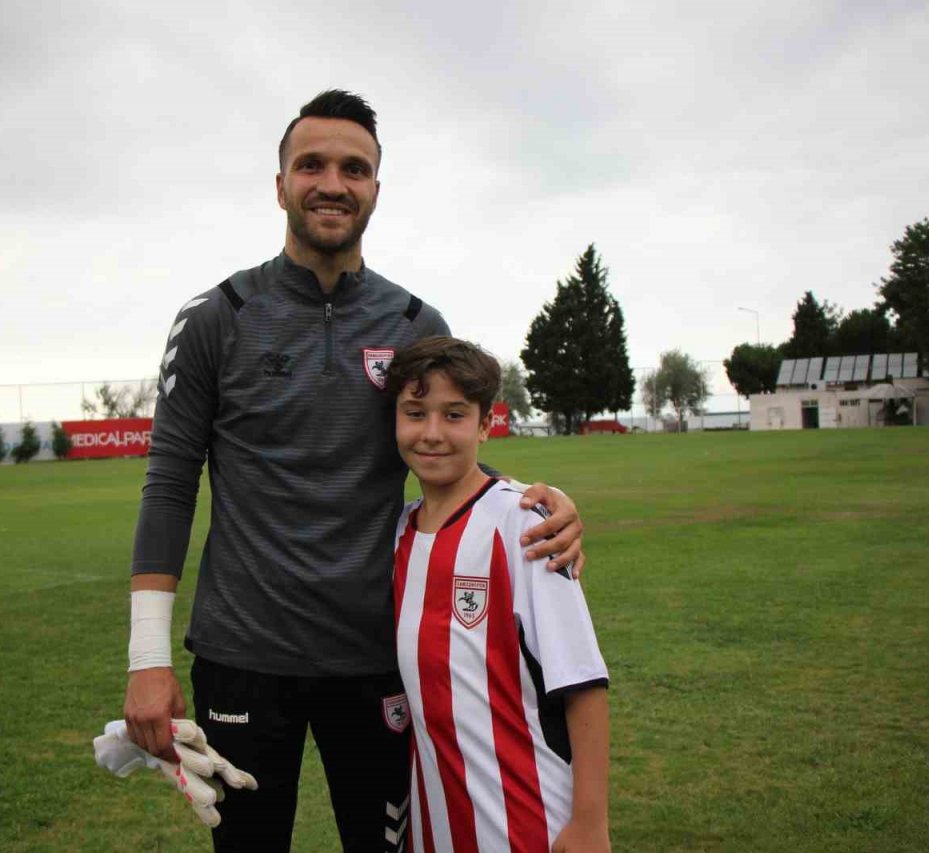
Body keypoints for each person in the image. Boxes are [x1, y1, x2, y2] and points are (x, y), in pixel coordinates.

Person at [123, 90, 586, 852]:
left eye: (354, 168)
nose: (332, 182)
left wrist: (539, 502)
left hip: (379, 659)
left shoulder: (413, 324)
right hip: (242, 658)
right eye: (311, 165)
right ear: (280, 186)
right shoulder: (217, 316)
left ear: (376, 188)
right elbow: (170, 482)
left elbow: (445, 452)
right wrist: (147, 659)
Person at [387, 337, 610, 853]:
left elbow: (582, 682)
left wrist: (591, 824)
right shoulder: (397, 534)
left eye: (455, 415)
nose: (433, 433)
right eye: (415, 413)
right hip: (435, 825)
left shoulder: (526, 526)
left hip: (529, 823)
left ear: (487, 425)